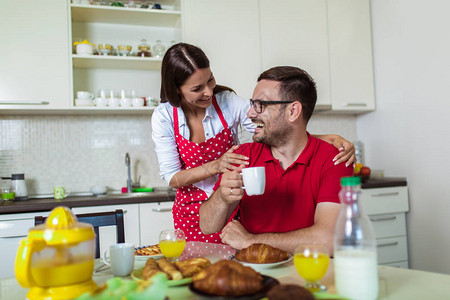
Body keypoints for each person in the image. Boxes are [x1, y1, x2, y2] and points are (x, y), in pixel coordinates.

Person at [152, 43, 355, 244]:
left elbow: (277, 129)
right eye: (197, 88)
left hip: (237, 215)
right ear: (177, 90)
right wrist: (219, 179)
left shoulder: (228, 104)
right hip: (198, 209)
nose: (209, 92)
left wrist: (319, 139)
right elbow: (172, 178)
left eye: (210, 80)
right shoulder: (166, 117)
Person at [199, 66, 354, 253]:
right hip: (255, 272)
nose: (250, 114)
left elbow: (328, 240)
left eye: (260, 105)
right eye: (252, 104)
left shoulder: (334, 158)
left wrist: (251, 242)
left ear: (292, 111)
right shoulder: (242, 156)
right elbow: (207, 226)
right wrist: (222, 197)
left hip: (309, 272)